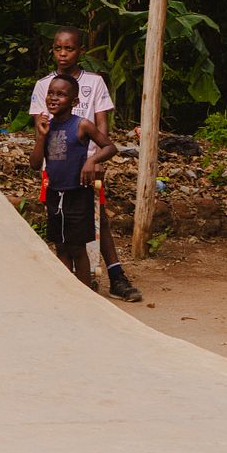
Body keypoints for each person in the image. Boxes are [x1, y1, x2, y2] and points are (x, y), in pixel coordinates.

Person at [30, 25, 142, 302]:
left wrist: (96, 161)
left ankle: (115, 277)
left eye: (69, 49)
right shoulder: (44, 85)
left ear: (80, 51)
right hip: (57, 167)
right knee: (63, 232)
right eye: (58, 48)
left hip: (89, 164)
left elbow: (102, 126)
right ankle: (72, 288)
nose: (63, 54)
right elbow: (40, 129)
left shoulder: (95, 82)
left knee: (97, 220)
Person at [29, 72, 117, 286]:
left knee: (77, 248)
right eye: (51, 93)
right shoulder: (46, 126)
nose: (53, 98)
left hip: (78, 194)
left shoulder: (82, 125)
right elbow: (34, 163)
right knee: (61, 246)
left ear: (74, 101)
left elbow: (110, 147)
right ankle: (69, 293)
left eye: (61, 94)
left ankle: (86, 295)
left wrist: (91, 161)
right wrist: (41, 136)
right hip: (54, 194)